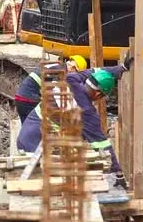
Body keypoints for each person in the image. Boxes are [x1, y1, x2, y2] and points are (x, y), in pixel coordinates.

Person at [16, 59, 133, 188]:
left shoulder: (71, 79)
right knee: (40, 187)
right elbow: (103, 145)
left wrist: (120, 69)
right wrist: (118, 174)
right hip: (35, 145)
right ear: (98, 94)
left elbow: (94, 72)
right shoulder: (87, 113)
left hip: (28, 133)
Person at [14, 55, 88, 123]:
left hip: (21, 97)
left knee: (27, 127)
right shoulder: (60, 72)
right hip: (29, 99)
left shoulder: (57, 66)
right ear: (73, 68)